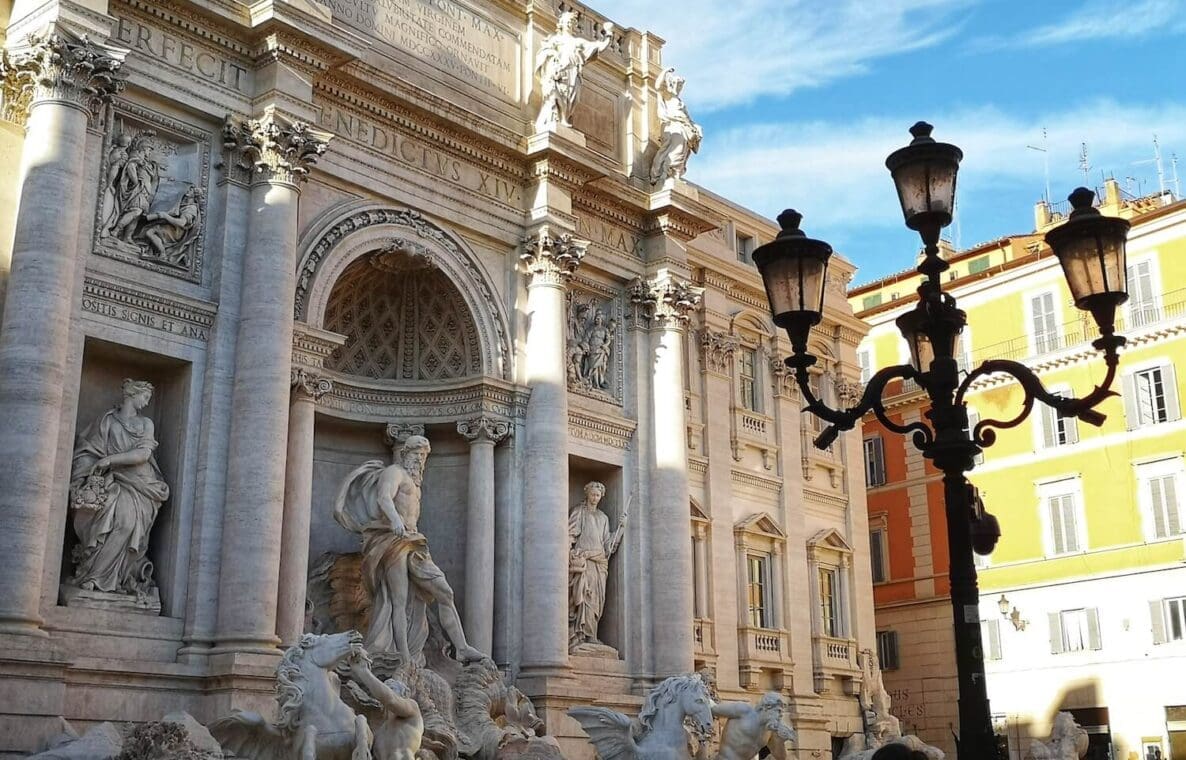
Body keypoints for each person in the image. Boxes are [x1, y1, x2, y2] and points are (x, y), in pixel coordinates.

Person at [333, 435, 484, 666]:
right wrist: (395, 520)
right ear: (405, 454)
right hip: (393, 540)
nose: (420, 461)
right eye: (416, 455)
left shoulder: (414, 483)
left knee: (445, 592)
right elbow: (384, 497)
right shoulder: (394, 472)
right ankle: (403, 657)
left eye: (423, 456)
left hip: (414, 542)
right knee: (399, 601)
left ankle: (461, 648)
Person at [68, 379, 170, 594]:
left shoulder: (146, 423)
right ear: (132, 395)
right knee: (105, 520)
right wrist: (89, 470)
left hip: (141, 483)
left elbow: (143, 454)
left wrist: (109, 460)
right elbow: (89, 449)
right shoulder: (106, 421)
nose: (146, 402)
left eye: (149, 399)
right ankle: (93, 574)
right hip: (112, 480)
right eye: (145, 397)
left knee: (126, 523)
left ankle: (112, 578)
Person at [567, 481, 626, 649]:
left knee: (597, 600)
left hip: (600, 563)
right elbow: (570, 534)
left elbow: (608, 544)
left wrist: (621, 528)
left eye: (598, 495)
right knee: (585, 596)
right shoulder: (579, 512)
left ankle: (592, 634)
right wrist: (568, 553)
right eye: (592, 494)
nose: (595, 498)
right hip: (584, 560)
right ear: (587, 494)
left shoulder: (603, 518)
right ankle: (580, 635)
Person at [534, 11, 614, 130]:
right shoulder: (555, 40)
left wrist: (609, 34)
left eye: (571, 21)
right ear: (561, 23)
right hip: (560, 72)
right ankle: (557, 118)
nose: (569, 23)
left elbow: (599, 47)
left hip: (573, 73)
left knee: (572, 98)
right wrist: (553, 61)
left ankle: (564, 118)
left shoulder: (578, 42)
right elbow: (544, 54)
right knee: (555, 95)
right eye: (567, 21)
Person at [713, 693, 797, 760]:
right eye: (778, 711)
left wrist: (781, 741)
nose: (781, 715)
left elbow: (780, 757)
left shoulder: (770, 731)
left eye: (782, 712)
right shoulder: (743, 711)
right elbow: (712, 709)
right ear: (767, 707)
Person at [141, 185, 202, 267]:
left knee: (150, 232)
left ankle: (163, 254)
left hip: (176, 231)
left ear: (194, 195)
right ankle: (158, 252)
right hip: (172, 228)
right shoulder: (184, 203)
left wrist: (165, 216)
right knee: (150, 230)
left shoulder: (191, 208)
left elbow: (181, 223)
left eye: (191, 190)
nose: (188, 190)